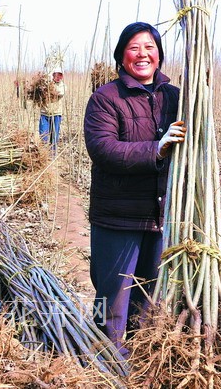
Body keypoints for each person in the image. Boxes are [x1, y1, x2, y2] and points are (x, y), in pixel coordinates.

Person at [83, 22, 186, 355]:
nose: (142, 54)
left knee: (149, 296)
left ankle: (139, 359)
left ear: (159, 55)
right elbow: (103, 149)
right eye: (134, 47)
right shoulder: (105, 98)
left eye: (150, 47)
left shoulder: (176, 97)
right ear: (121, 55)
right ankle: (101, 354)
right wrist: (156, 148)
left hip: (161, 215)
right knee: (110, 295)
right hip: (117, 217)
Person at [39, 68, 66, 153]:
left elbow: (60, 93)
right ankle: (43, 155)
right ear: (52, 75)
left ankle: (53, 157)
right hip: (44, 114)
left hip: (56, 114)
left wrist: (49, 89)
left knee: (54, 138)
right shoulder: (45, 84)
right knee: (43, 137)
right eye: (56, 74)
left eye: (60, 75)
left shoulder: (63, 86)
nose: (58, 77)